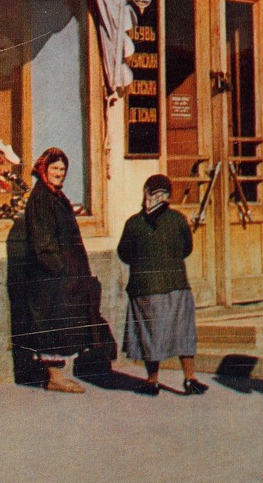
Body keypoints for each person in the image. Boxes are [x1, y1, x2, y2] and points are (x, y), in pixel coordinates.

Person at [19, 148, 101, 394]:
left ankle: (58, 374)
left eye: (62, 169)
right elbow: (43, 242)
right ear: (44, 169)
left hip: (64, 276)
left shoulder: (56, 196)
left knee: (62, 324)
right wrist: (60, 270)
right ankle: (54, 376)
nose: (59, 173)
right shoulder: (42, 198)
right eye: (54, 168)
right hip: (51, 277)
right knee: (51, 324)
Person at [117, 174, 205, 396]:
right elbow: (187, 248)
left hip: (145, 288)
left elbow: (124, 254)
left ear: (145, 193)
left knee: (150, 334)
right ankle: (190, 378)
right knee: (182, 332)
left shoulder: (134, 223)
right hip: (176, 285)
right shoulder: (177, 220)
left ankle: (152, 380)